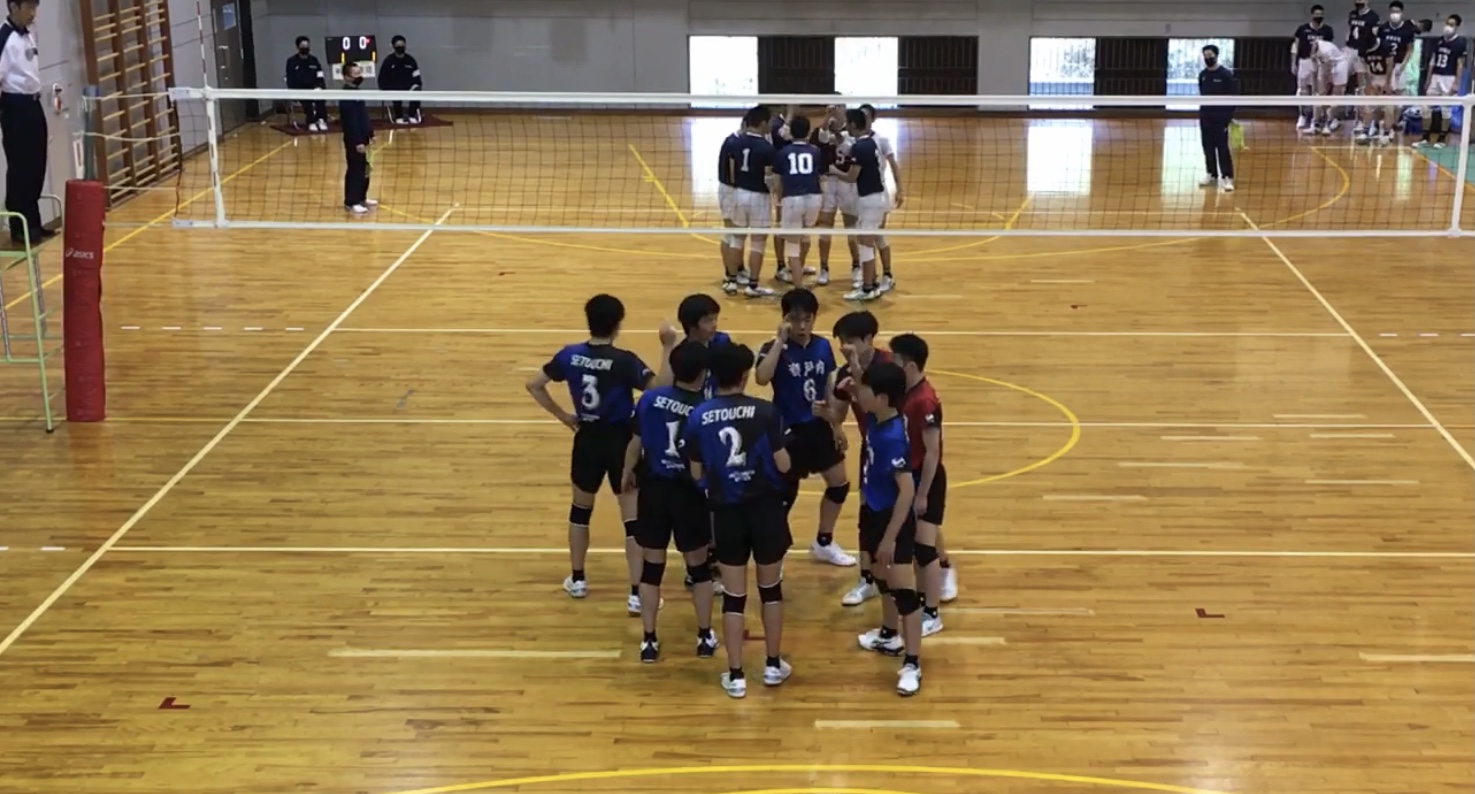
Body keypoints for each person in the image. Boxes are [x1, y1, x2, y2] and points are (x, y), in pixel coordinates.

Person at [525, 294, 677, 614]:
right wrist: (667, 346)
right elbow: (661, 389)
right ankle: (636, 593)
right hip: (621, 441)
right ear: (618, 324)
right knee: (632, 520)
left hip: (587, 438)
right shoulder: (623, 361)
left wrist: (564, 417)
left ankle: (578, 578)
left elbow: (534, 384)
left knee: (580, 510)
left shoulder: (570, 355)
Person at [682, 343, 794, 698]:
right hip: (766, 510)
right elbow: (784, 465)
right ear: (745, 376)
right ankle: (772, 665)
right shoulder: (766, 411)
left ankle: (736, 675)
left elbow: (696, 473)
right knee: (770, 590)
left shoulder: (698, 416)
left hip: (727, 513)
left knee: (734, 596)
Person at [623, 340, 719, 663]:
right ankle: (704, 636)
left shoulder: (650, 399)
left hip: (654, 491)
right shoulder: (705, 409)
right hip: (689, 493)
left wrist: (626, 471)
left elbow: (635, 443)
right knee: (699, 570)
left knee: (652, 569)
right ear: (703, 374)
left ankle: (649, 640)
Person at [755, 288, 858, 568]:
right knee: (784, 494)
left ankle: (824, 542)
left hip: (818, 425)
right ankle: (773, 550)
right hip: (788, 431)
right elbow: (762, 378)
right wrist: (779, 341)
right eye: (794, 319)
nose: (801, 326)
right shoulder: (772, 348)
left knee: (839, 484)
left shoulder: (822, 346)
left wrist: (835, 423)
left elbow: (828, 386)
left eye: (807, 319)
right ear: (784, 318)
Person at [852, 361, 924, 697]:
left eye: (865, 390)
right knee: (880, 575)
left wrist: (890, 538)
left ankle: (912, 664)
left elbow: (906, 491)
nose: (859, 393)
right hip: (872, 510)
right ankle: (889, 633)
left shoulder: (893, 437)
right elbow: (861, 387)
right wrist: (856, 366)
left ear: (881, 398)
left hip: (891, 519)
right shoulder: (876, 417)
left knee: (904, 592)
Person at [890, 333, 957, 638]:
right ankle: (929, 592)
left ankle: (932, 612)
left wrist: (922, 494)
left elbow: (932, 452)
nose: (892, 365)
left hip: (925, 479)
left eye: (896, 360)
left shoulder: (924, 400)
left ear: (911, 365)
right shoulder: (905, 391)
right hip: (911, 475)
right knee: (920, 541)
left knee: (923, 548)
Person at [828, 310, 893, 606]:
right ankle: (867, 578)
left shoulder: (889, 367)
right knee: (867, 513)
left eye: (851, 341)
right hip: (871, 450)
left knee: (915, 510)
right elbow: (839, 412)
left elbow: (875, 403)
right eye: (842, 341)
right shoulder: (843, 375)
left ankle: (940, 565)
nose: (845, 347)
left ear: (869, 339)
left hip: (897, 446)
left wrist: (856, 370)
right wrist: (833, 423)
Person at [0, 0, 52, 246]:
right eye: (28, 7)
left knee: (36, 164)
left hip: (33, 103)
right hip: (15, 106)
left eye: (35, 8)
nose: (33, 13)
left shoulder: (29, 35)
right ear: (13, 7)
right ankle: (19, 227)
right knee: (20, 167)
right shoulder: (4, 38)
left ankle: (33, 222)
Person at [831, 109, 888, 301]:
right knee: (866, 242)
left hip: (870, 200)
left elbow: (851, 177)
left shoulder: (860, 147)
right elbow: (847, 147)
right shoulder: (870, 142)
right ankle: (871, 283)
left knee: (865, 243)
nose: (846, 126)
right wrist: (836, 133)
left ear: (853, 125)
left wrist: (833, 171)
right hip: (875, 198)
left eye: (847, 123)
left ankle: (867, 287)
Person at [727, 106, 777, 298]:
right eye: (769, 122)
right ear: (763, 123)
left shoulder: (736, 142)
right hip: (758, 197)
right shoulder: (767, 148)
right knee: (758, 242)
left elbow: (732, 170)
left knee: (737, 238)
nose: (771, 125)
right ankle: (753, 285)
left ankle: (731, 281)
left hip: (739, 193)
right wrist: (776, 193)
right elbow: (769, 178)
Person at [858, 104, 905, 294]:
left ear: (873, 119)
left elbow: (894, 165)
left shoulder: (881, 140)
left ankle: (886, 275)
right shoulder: (854, 139)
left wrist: (900, 190)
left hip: (878, 195)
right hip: (860, 195)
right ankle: (869, 276)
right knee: (863, 237)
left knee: (876, 236)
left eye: (867, 117)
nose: (864, 120)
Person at [773, 116, 824, 285]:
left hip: (793, 198)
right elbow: (820, 176)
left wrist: (779, 201)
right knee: (805, 235)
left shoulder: (783, 152)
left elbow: (778, 181)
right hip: (814, 197)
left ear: (791, 133)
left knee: (792, 244)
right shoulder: (816, 151)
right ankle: (799, 269)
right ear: (808, 132)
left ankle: (798, 286)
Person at [810, 102, 854, 286]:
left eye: (838, 108)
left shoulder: (852, 131)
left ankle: (857, 266)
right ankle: (824, 268)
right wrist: (827, 119)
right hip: (828, 182)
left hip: (847, 183)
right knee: (825, 227)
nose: (835, 111)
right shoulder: (821, 130)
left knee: (851, 227)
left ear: (844, 109)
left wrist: (837, 131)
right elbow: (820, 139)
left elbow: (850, 148)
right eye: (831, 108)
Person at [1416, 15, 1467, 148]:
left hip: (1449, 77)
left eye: (1452, 24)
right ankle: (1425, 136)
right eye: (1447, 23)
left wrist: (1457, 82)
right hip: (1436, 76)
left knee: (1445, 109)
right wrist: (1428, 79)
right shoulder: (1438, 41)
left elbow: (1460, 64)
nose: (1448, 27)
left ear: (1457, 27)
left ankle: (1442, 138)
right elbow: (1432, 61)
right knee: (1426, 107)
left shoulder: (1460, 43)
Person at [1196, 45, 1238, 193]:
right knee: (1207, 147)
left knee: (1222, 148)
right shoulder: (1203, 75)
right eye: (1205, 56)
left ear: (1216, 56)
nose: (1208, 58)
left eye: (1210, 55)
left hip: (1221, 118)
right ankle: (1211, 174)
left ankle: (1227, 177)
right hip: (1206, 117)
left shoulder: (1225, 75)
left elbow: (1233, 97)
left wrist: (1228, 117)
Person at [338, 62, 376, 214]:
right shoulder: (346, 96)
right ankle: (351, 201)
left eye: (360, 73)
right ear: (347, 77)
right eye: (355, 74)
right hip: (354, 140)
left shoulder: (357, 92)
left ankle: (361, 198)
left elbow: (363, 116)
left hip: (363, 138)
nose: (359, 76)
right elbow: (350, 122)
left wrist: (370, 134)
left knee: (365, 169)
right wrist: (357, 141)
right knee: (355, 170)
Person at [1293, 6, 1336, 132]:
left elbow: (1329, 48)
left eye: (1320, 14)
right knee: (1302, 90)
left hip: (1320, 63)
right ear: (1311, 15)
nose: (1318, 16)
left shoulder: (1327, 30)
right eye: (1316, 14)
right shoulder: (1302, 29)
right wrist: (1294, 63)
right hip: (1305, 61)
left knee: (1318, 91)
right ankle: (1302, 115)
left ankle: (1316, 119)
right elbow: (1295, 47)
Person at [1346, 0, 1382, 135]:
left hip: (1365, 54)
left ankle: (1370, 121)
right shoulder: (1352, 14)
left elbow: (1374, 38)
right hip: (1351, 50)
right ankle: (1359, 119)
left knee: (1367, 87)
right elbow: (1349, 31)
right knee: (1357, 87)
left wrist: (1367, 53)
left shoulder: (1373, 16)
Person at [1309, 35, 1352, 133]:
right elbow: (1315, 70)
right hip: (1328, 65)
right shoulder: (1313, 52)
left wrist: (1326, 83)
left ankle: (1330, 121)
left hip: (1340, 65)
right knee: (1319, 94)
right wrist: (1315, 87)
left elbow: (1327, 70)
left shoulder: (1325, 50)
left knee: (1336, 94)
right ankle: (1316, 122)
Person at [286, 36, 327, 132]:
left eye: (307, 45)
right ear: (298, 47)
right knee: (308, 101)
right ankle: (311, 121)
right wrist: (294, 91)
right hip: (300, 89)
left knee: (320, 99)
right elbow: (290, 79)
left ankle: (321, 120)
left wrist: (320, 87)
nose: (305, 48)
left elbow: (320, 75)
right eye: (303, 46)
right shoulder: (291, 62)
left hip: (314, 88)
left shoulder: (314, 60)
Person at [379, 35, 423, 124]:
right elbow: (382, 78)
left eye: (402, 45)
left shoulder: (410, 60)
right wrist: (386, 87)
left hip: (408, 86)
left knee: (417, 90)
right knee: (396, 93)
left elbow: (417, 77)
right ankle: (398, 116)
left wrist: (416, 85)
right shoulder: (388, 61)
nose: (400, 47)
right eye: (398, 45)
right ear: (393, 46)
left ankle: (412, 115)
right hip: (393, 87)